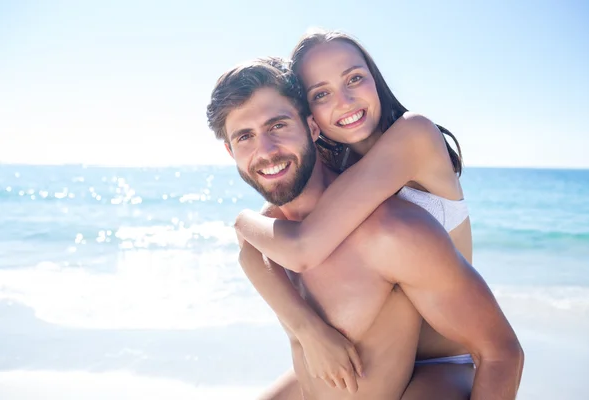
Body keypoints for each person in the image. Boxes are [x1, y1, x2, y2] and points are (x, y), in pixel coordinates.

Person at [205, 57, 524, 399]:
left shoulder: (390, 233)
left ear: (313, 128)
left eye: (278, 126)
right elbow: (249, 249)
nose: (265, 151)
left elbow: (501, 354)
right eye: (245, 137)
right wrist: (308, 329)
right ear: (230, 151)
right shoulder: (267, 237)